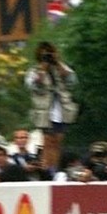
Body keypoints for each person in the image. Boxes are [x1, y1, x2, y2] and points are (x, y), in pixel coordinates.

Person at [25, 41, 78, 174]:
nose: (47, 57)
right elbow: (31, 86)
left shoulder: (60, 68)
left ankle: (55, 169)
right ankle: (47, 170)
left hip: (61, 109)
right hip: (45, 112)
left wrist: (57, 62)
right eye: (44, 55)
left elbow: (72, 80)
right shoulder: (34, 71)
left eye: (48, 54)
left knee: (58, 141)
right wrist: (42, 70)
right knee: (48, 141)